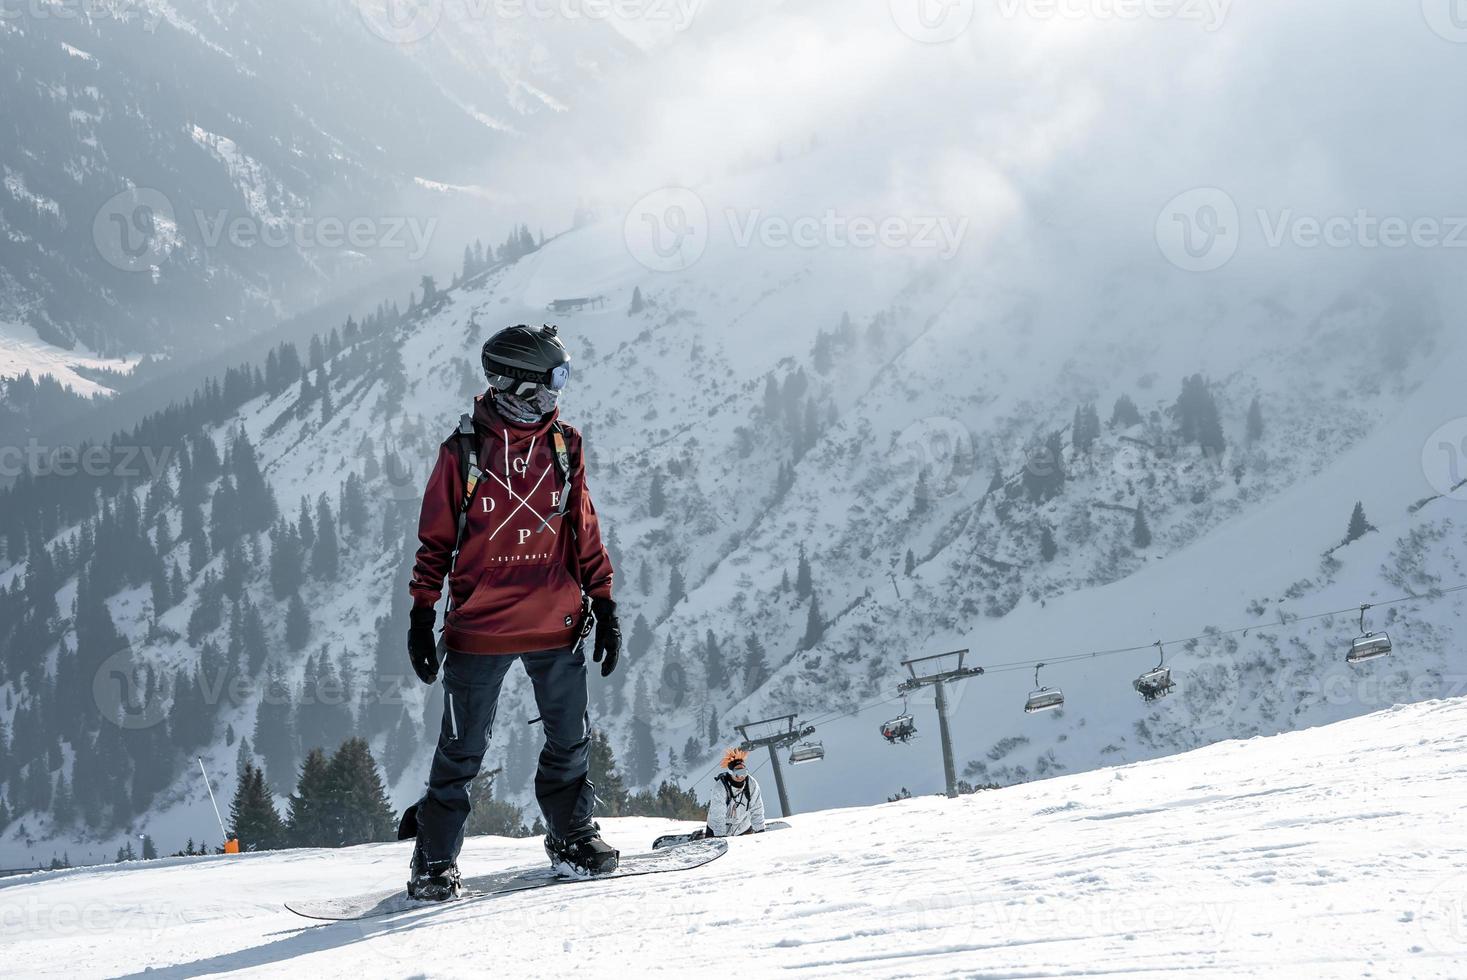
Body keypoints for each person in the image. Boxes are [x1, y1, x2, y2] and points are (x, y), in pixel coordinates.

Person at [402, 323, 623, 901]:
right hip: (479, 630)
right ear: (522, 385)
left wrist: (603, 600)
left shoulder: (566, 444)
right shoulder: (464, 452)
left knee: (569, 740)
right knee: (461, 751)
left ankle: (572, 836)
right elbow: (436, 541)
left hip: (558, 624)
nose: (560, 389)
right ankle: (433, 863)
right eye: (555, 377)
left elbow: (584, 530)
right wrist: (422, 615)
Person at [705, 748, 766, 838]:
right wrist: (720, 837)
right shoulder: (721, 787)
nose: (741, 776)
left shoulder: (751, 784)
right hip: (717, 830)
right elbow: (718, 815)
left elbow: (757, 808)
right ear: (731, 773)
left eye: (743, 772)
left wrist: (760, 830)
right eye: (738, 772)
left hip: (743, 827)